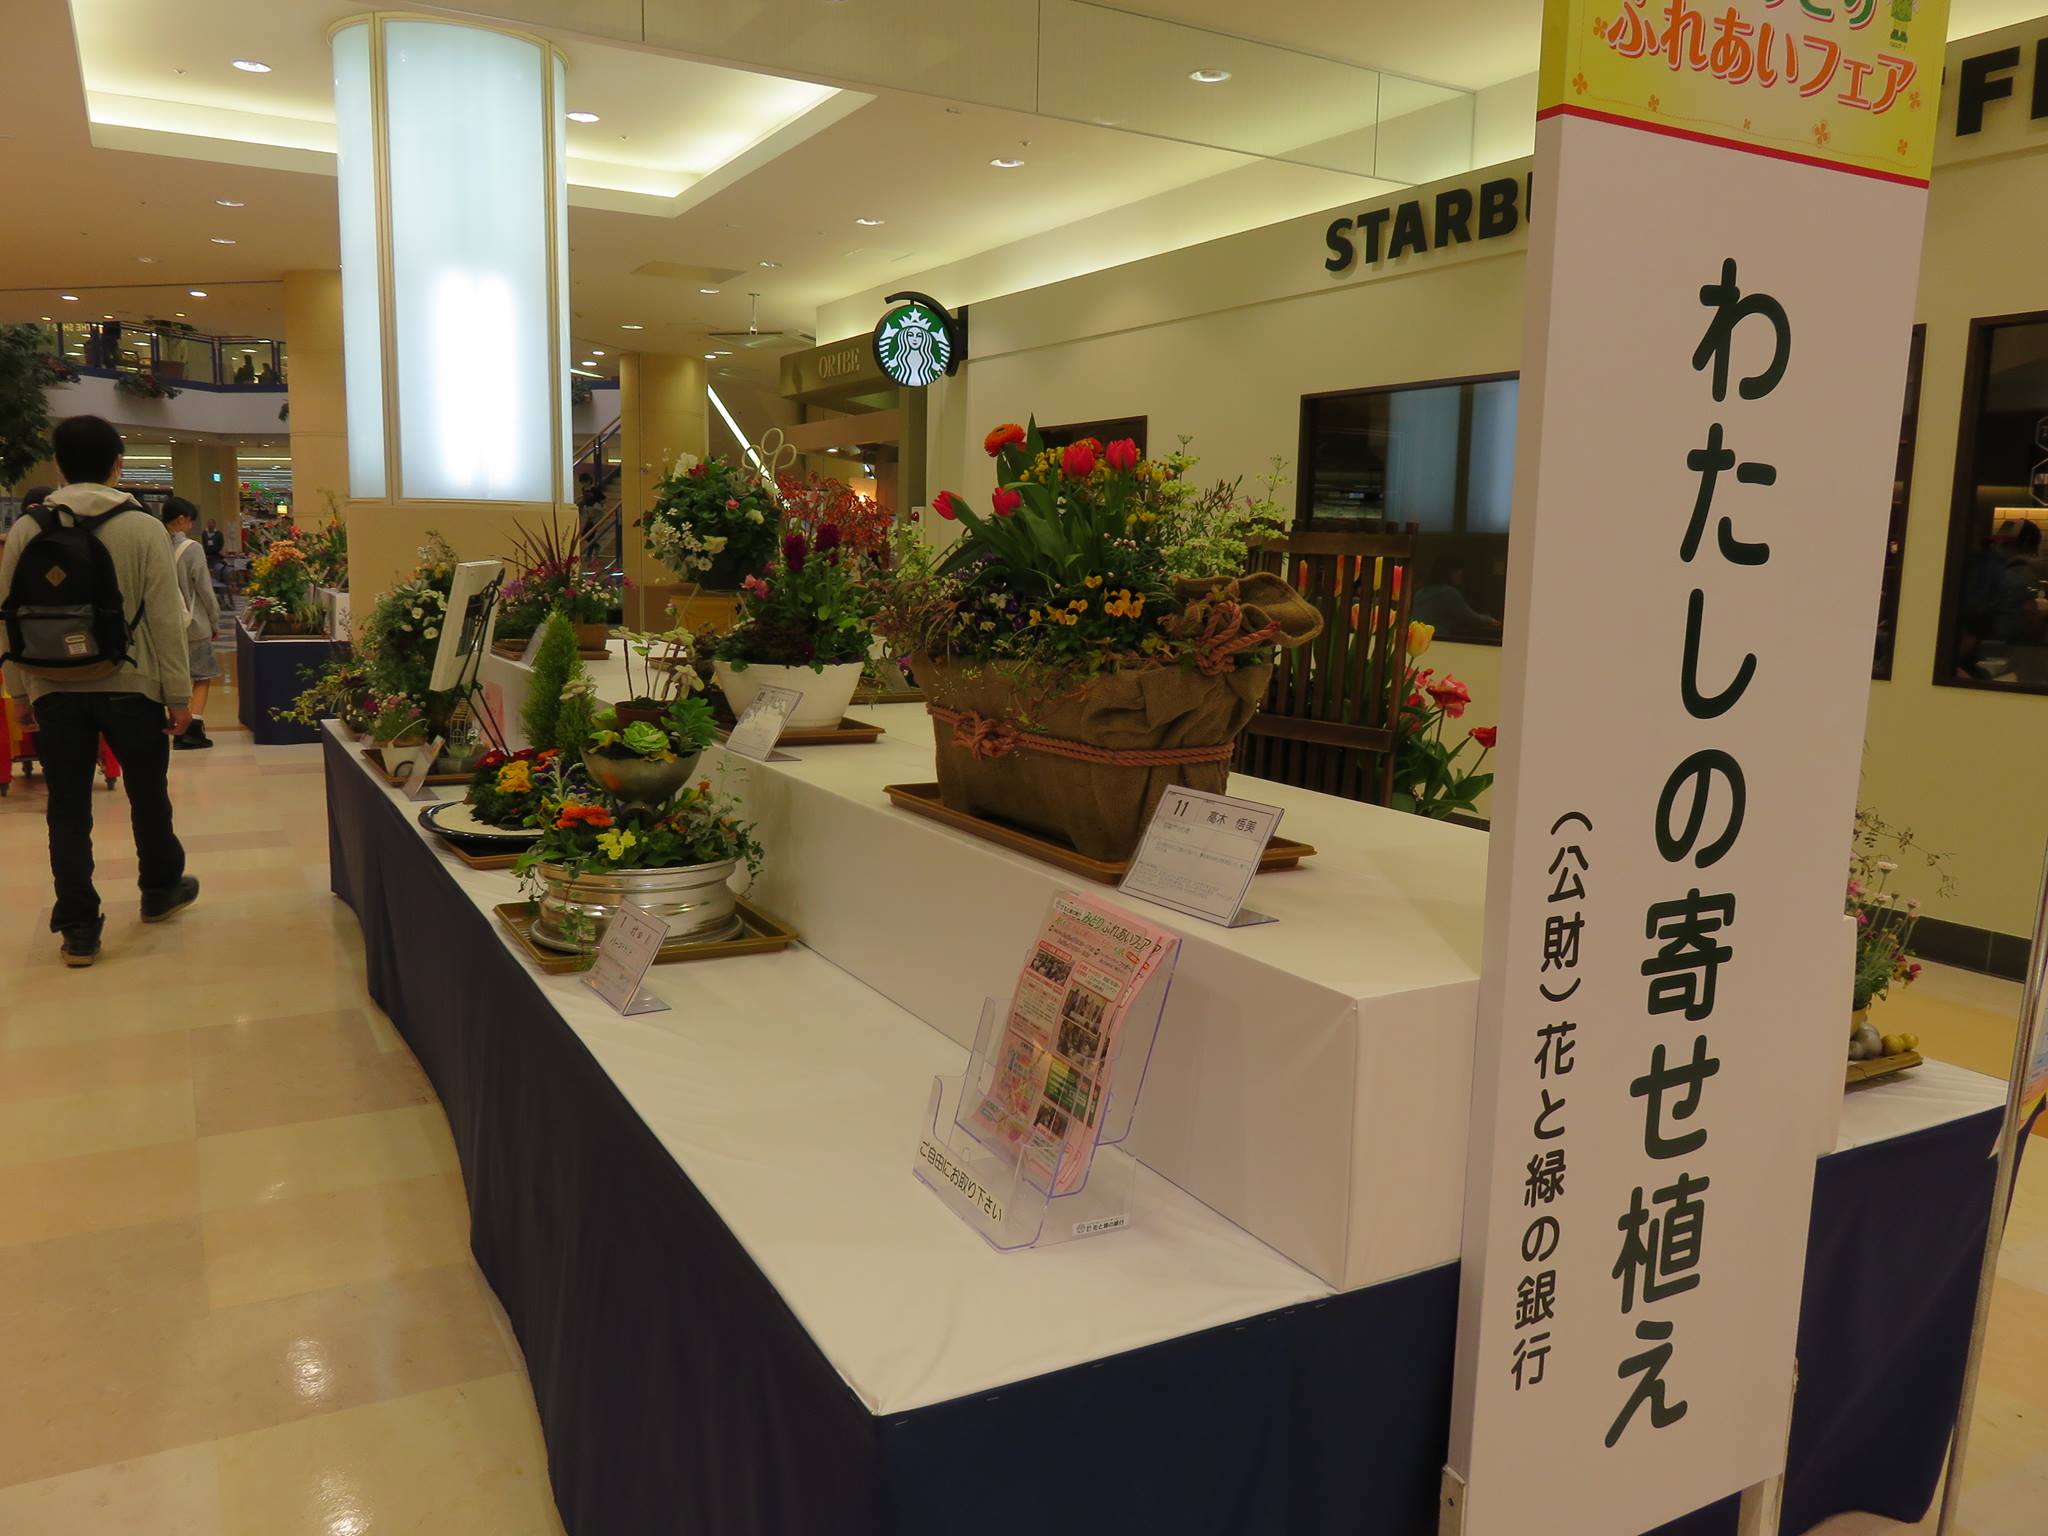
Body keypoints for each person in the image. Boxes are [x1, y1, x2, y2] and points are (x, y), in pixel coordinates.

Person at [0, 415, 198, 966]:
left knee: (67, 807)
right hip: (132, 686)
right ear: (118, 465)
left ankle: (79, 927)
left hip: (52, 686)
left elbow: (9, 618)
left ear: (58, 465)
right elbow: (165, 619)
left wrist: (20, 693)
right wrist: (178, 695)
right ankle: (159, 889)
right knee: (148, 793)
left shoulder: (27, 528)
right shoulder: (143, 528)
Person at [160, 496, 221, 749]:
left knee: (175, 678)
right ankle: (192, 730)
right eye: (190, 521)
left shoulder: (155, 544)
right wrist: (215, 621)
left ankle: (176, 724)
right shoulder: (191, 549)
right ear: (181, 519)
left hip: (165, 625)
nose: (191, 526)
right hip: (194, 624)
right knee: (202, 675)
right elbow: (204, 589)